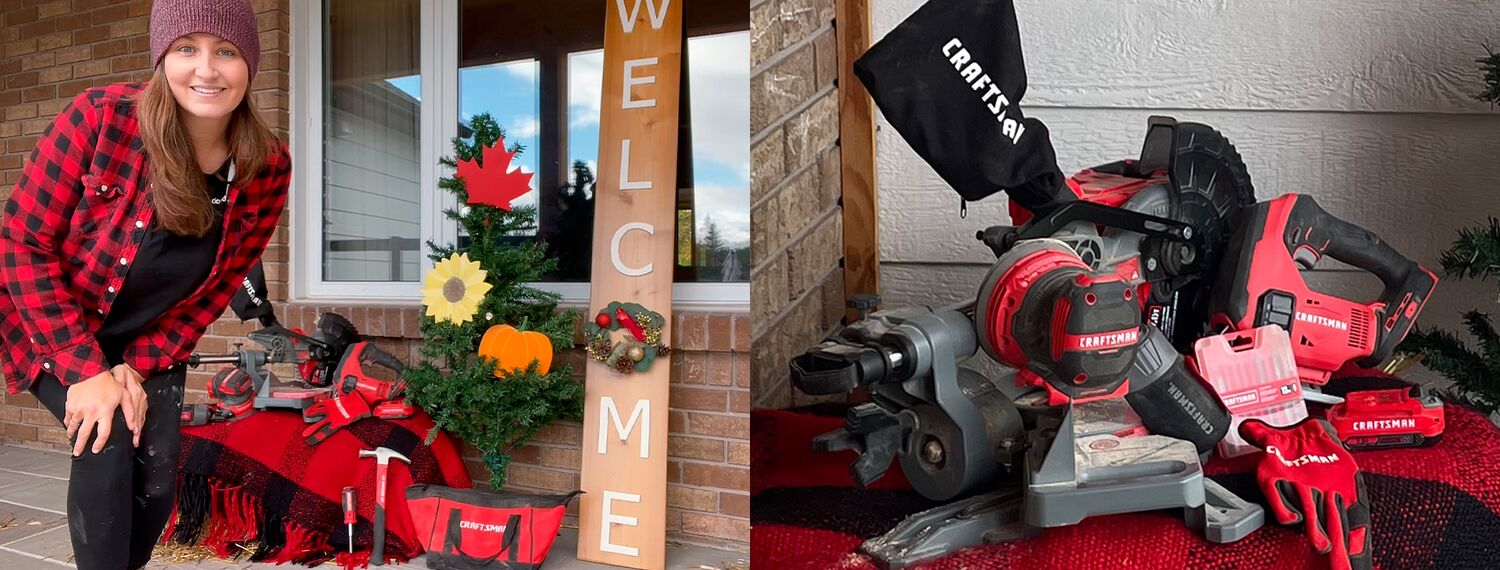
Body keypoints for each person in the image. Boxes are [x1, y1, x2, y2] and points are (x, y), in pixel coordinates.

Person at [0, 0, 289, 568]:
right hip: (49, 319)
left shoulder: (267, 165)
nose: (206, 69)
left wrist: (134, 365)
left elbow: (218, 286)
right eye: (187, 48)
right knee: (106, 450)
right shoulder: (101, 119)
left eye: (226, 51)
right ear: (162, 56)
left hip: (147, 340)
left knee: (156, 484)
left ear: (249, 64)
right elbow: (19, 243)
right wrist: (86, 370)